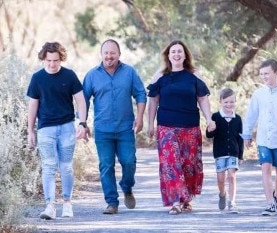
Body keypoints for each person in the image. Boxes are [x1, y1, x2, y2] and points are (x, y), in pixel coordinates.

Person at [147, 40, 216, 215]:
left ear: (185, 55)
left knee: (188, 164)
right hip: (166, 127)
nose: (176, 54)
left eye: (179, 51)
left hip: (190, 127)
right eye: (173, 52)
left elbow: (202, 99)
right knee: (171, 164)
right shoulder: (160, 76)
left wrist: (209, 119)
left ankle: (186, 200)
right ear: (168, 56)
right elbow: (153, 100)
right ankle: (176, 201)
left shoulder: (194, 75)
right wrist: (150, 124)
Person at [82, 39, 147, 214]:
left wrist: (140, 118)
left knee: (129, 162)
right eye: (106, 53)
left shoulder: (129, 72)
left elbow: (141, 94)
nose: (109, 56)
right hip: (103, 130)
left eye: (113, 53)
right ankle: (112, 202)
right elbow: (83, 100)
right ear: (101, 55)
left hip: (126, 128)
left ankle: (127, 187)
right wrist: (83, 123)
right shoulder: (92, 75)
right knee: (106, 166)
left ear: (119, 54)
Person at [27, 42, 87, 220]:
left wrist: (82, 123)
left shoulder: (69, 76)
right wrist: (30, 130)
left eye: (55, 60)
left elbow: (81, 101)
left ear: (61, 58)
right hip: (45, 128)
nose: (52, 64)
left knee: (66, 166)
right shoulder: (37, 78)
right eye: (48, 61)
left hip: (67, 127)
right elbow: (33, 105)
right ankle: (50, 206)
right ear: (43, 59)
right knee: (48, 166)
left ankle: (67, 204)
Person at [242, 59, 277, 216]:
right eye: (261, 74)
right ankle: (270, 203)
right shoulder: (259, 94)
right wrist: (247, 134)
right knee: (265, 168)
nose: (264, 76)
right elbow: (251, 115)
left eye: (267, 73)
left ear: (276, 73)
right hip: (263, 139)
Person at [206, 88, 244, 213]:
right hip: (220, 153)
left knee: (232, 176)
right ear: (220, 102)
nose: (229, 105)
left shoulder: (237, 119)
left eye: (232, 102)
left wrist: (241, 155)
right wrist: (210, 129)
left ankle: (232, 202)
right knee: (221, 179)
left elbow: (240, 138)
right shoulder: (216, 116)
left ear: (235, 102)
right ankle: (222, 194)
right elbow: (209, 135)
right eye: (226, 102)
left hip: (233, 152)